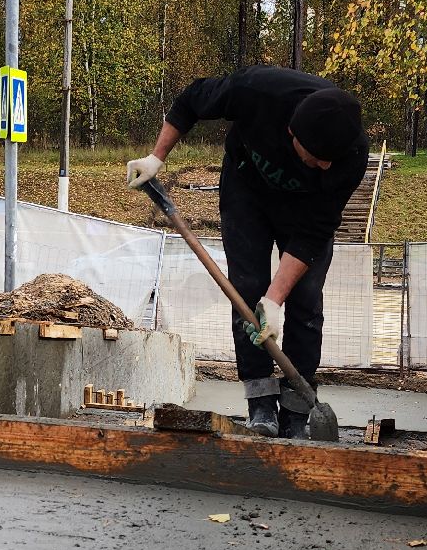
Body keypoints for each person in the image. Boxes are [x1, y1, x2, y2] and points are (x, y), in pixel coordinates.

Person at [126, 68, 368, 438]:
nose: (325, 167)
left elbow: (313, 233)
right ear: (293, 133)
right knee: (246, 289)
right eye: (317, 157)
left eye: (330, 160)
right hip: (247, 192)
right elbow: (191, 98)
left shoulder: (349, 155)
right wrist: (157, 157)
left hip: (304, 213)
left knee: (305, 299)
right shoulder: (259, 92)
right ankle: (260, 402)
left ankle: (296, 410)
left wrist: (275, 300)